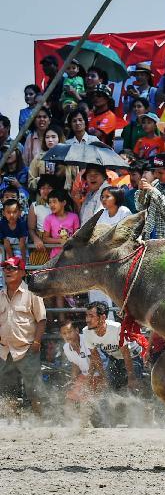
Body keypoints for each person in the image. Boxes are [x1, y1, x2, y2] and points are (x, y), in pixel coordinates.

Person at [0, 256, 47, 416]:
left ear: (22, 272)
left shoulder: (32, 294)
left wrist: (36, 342)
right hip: (5, 351)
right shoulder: (0, 295)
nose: (7, 271)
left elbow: (41, 320)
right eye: (5, 267)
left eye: (11, 268)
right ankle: (11, 425)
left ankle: (43, 424)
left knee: (35, 391)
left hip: (27, 349)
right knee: (7, 391)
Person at [82, 301, 142, 393]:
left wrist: (131, 377)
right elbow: (95, 357)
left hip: (132, 356)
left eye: (91, 316)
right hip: (114, 357)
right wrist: (103, 377)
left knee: (133, 389)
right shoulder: (86, 332)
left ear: (103, 318)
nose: (87, 319)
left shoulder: (116, 328)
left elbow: (126, 354)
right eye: (87, 315)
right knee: (110, 389)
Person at [28, 124, 75, 191]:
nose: (50, 140)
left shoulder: (69, 157)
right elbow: (30, 183)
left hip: (64, 197)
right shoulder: (38, 158)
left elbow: (76, 180)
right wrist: (41, 179)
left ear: (59, 138)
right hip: (44, 197)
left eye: (53, 137)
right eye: (47, 137)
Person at [27, 174, 56, 265]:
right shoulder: (35, 206)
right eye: (43, 188)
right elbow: (31, 229)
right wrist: (36, 239)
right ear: (39, 190)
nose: (46, 191)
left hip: (57, 239)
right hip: (42, 243)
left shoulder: (62, 205)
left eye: (49, 188)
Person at [43, 189, 80, 258]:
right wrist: (60, 241)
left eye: (54, 202)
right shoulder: (48, 219)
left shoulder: (74, 217)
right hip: (55, 257)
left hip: (72, 255)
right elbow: (45, 238)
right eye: (50, 202)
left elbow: (77, 236)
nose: (51, 205)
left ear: (63, 203)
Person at [38, 55, 64, 120]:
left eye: (48, 64)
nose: (45, 67)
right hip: (54, 118)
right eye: (44, 65)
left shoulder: (64, 81)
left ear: (56, 66)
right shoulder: (48, 86)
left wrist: (51, 104)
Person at [19, 85, 41, 151]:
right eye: (26, 94)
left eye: (31, 94)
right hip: (27, 144)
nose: (28, 96)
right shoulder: (23, 112)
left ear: (37, 95)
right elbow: (22, 129)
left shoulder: (41, 110)